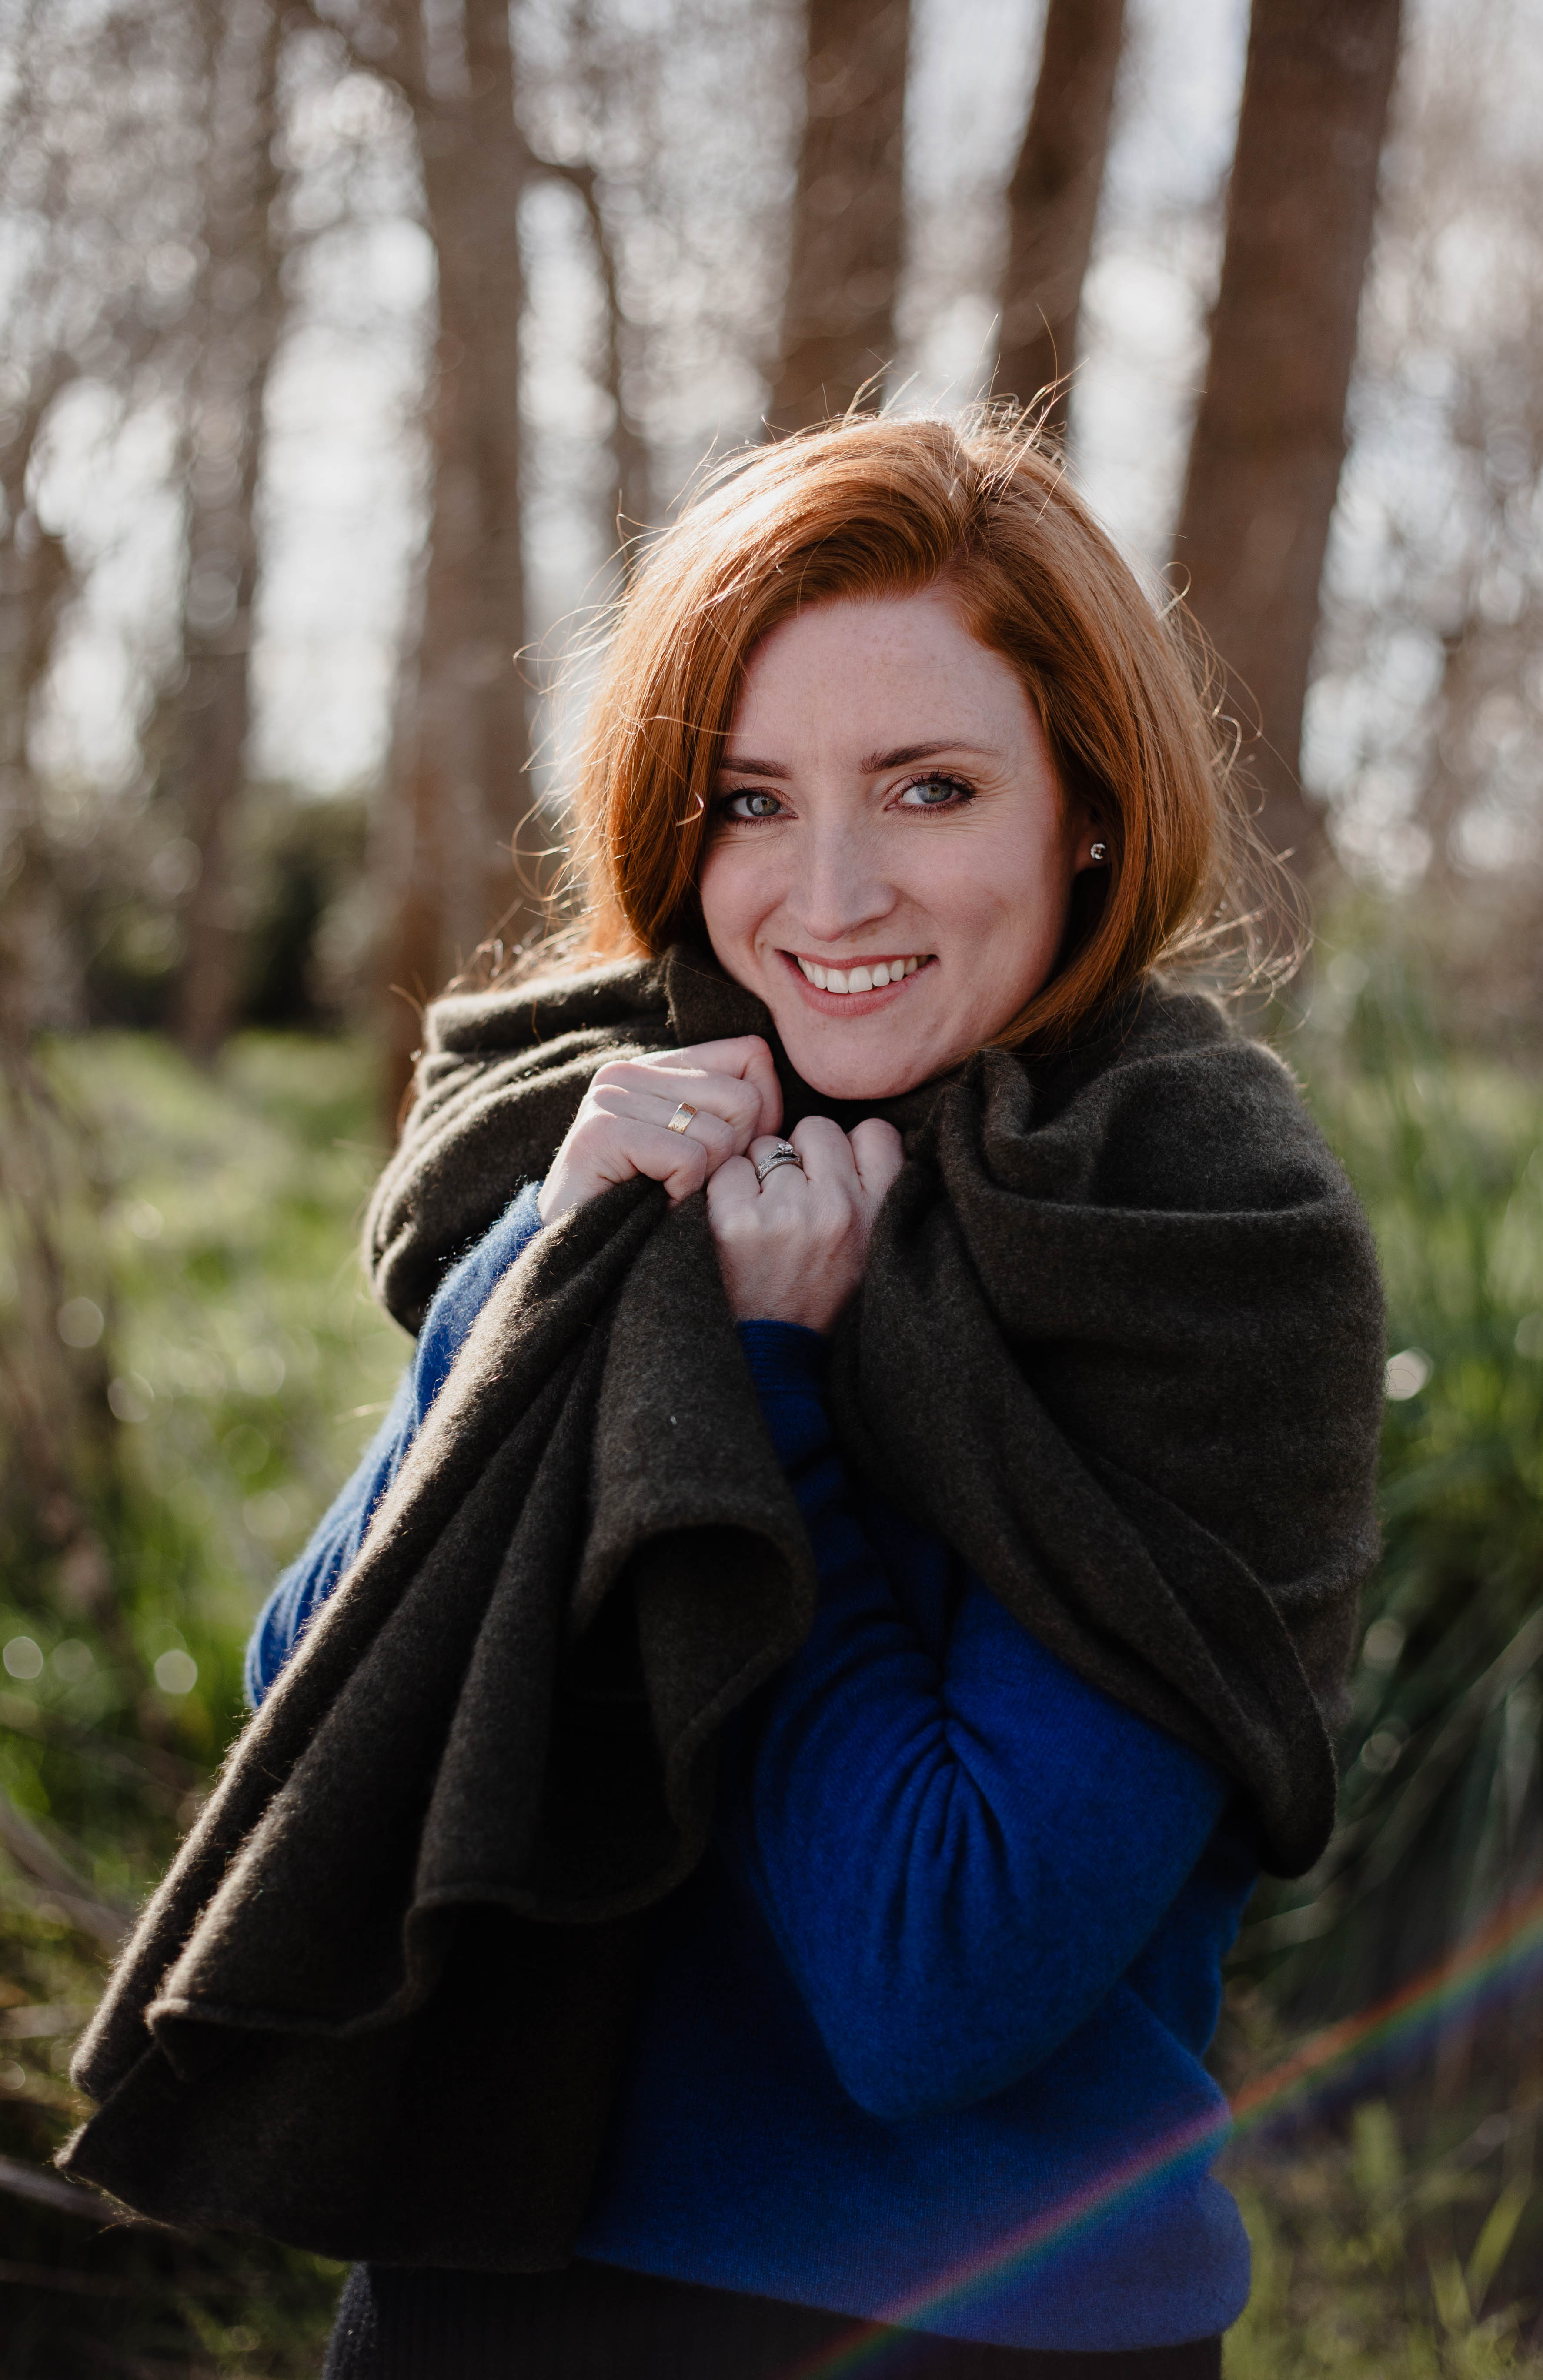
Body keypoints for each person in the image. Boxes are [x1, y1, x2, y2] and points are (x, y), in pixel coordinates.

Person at [67, 414, 1384, 2380]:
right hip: (475, 2280)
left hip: (969, 2331)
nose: (827, 896)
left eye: (929, 788)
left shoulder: (1189, 1244)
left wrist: (764, 1384)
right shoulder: (612, 1141)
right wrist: (547, 1266)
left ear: (1086, 808)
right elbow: (324, 1709)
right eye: (752, 801)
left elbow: (933, 1977)